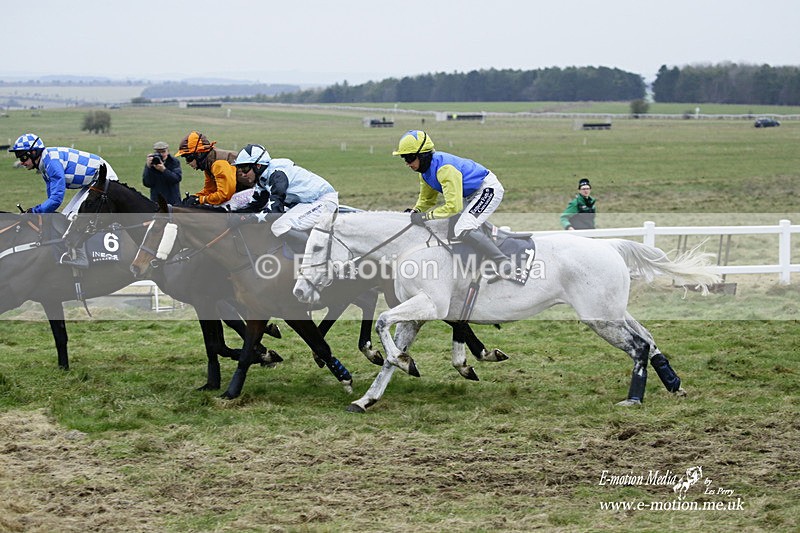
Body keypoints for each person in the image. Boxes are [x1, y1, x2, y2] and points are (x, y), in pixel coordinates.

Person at [392, 129, 512, 280]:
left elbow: (454, 207)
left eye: (410, 158)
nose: (407, 163)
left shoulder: (445, 169)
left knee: (463, 228)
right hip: (472, 194)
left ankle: (502, 261)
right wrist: (415, 211)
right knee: (455, 226)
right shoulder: (425, 172)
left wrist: (426, 216)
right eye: (404, 158)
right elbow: (427, 200)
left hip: (487, 189)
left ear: (422, 155)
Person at [8, 133, 119, 267]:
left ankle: (81, 257)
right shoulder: (44, 163)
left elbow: (56, 199)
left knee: (73, 217)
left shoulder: (51, 163)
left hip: (103, 179)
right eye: (19, 157)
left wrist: (35, 211)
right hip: (93, 181)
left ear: (33, 152)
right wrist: (40, 212)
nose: (21, 162)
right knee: (66, 216)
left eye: (23, 156)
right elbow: (52, 197)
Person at [229, 143, 338, 249]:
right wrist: (234, 215)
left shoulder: (277, 175)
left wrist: (246, 219)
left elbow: (275, 212)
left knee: (279, 226)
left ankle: (317, 254)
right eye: (240, 169)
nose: (242, 174)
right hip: (306, 202)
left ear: (258, 166)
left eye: (245, 168)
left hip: (322, 201)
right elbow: (255, 205)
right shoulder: (263, 179)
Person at [175, 131, 237, 206]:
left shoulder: (219, 164)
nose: (187, 163)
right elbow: (210, 190)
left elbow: (224, 195)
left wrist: (199, 200)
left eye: (188, 158)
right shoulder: (208, 164)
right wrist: (195, 197)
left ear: (199, 154)